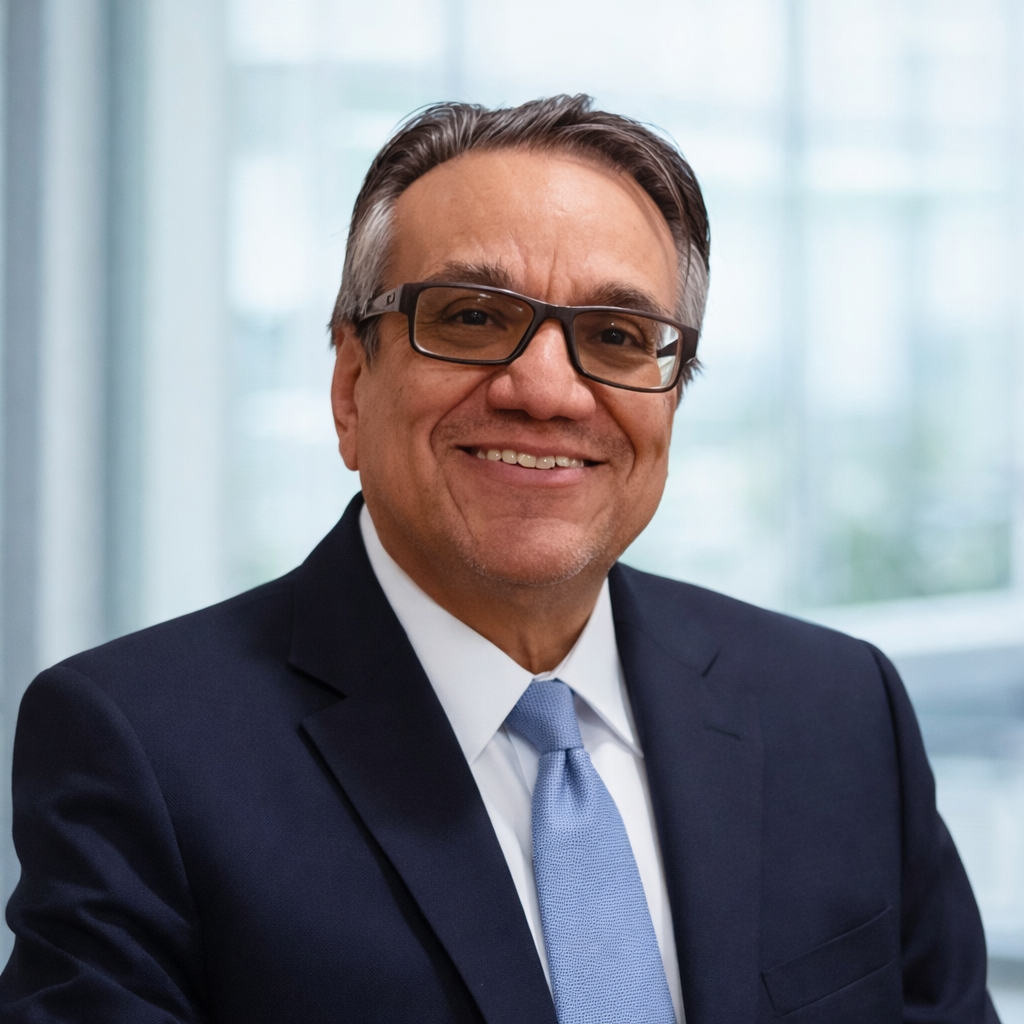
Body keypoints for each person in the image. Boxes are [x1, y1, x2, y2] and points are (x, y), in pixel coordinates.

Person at [0, 95, 999, 1024]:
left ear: (672, 401)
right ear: (351, 385)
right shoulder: (141, 747)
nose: (547, 391)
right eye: (472, 317)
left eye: (616, 336)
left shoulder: (837, 708)